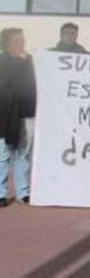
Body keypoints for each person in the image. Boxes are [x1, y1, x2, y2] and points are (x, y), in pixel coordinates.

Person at [0, 28, 36, 207]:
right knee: (3, 155)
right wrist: (20, 63)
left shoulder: (29, 61)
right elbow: (7, 82)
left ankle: (23, 192)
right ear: (7, 44)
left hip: (26, 113)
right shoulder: (3, 61)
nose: (21, 44)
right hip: (5, 116)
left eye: (22, 40)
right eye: (17, 41)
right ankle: (1, 192)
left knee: (23, 154)